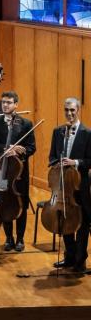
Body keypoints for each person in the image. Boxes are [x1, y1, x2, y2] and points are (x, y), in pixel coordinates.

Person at [0, 91, 36, 252]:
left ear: (16, 105)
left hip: (19, 172)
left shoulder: (26, 124)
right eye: (4, 102)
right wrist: (8, 148)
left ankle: (21, 239)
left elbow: (32, 147)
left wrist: (20, 151)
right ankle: (9, 238)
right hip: (2, 170)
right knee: (5, 202)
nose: (6, 105)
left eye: (9, 102)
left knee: (21, 203)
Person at [49, 97, 91, 273]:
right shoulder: (57, 131)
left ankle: (80, 261)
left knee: (81, 223)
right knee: (65, 221)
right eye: (66, 110)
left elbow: (89, 160)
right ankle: (69, 257)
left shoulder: (87, 133)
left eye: (72, 110)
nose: (69, 113)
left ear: (78, 110)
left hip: (80, 186)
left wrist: (74, 162)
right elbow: (51, 157)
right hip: (62, 187)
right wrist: (56, 163)